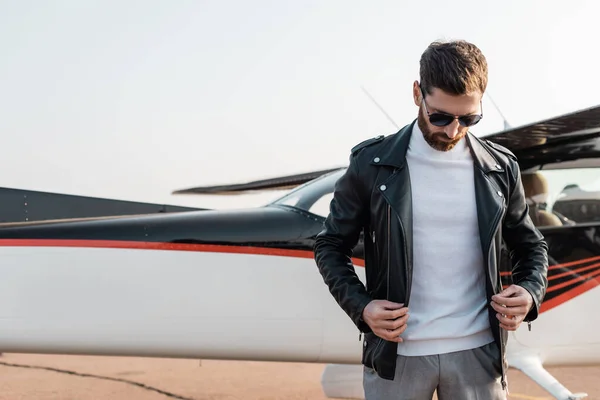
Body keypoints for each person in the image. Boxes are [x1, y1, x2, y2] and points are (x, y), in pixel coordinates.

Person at [313, 40, 549, 400]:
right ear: (416, 93)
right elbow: (330, 245)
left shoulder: (501, 168)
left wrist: (530, 293)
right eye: (440, 116)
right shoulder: (370, 164)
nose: (453, 130)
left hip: (480, 356)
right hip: (397, 357)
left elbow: (531, 246)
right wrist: (362, 308)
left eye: (469, 119)